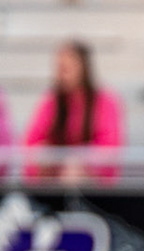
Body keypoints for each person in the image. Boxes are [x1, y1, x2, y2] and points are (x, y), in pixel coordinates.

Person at [21, 41, 123, 180]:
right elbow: (32, 142)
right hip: (53, 180)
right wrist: (48, 158)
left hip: (91, 183)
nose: (62, 74)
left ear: (84, 68)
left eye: (68, 68)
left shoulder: (104, 101)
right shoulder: (52, 100)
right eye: (60, 68)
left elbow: (109, 148)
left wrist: (82, 163)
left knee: (73, 173)